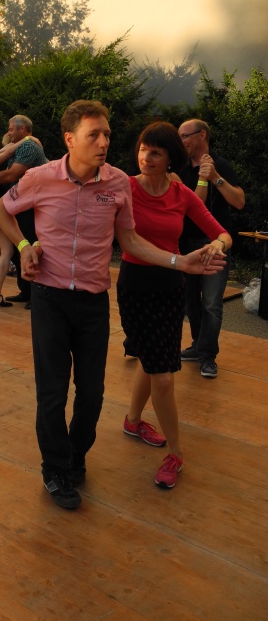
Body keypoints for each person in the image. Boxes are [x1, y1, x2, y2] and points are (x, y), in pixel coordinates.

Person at [0, 100, 227, 510]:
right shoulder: (39, 177)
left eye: (107, 135)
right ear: (70, 139)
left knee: (92, 393)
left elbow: (131, 240)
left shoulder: (118, 183)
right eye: (94, 135)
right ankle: (55, 468)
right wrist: (25, 245)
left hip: (93, 301)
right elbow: (2, 208)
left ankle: (76, 456)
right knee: (52, 392)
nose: (104, 143)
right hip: (49, 298)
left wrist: (180, 262)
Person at [117, 122, 231, 490]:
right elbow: (124, 239)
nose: (146, 157)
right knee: (162, 375)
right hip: (135, 289)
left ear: (170, 159)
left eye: (155, 152)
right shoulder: (125, 188)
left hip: (170, 290)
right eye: (142, 149)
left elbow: (221, 232)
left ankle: (132, 421)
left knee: (152, 361)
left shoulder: (181, 193)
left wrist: (217, 246)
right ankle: (176, 453)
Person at [177, 119, 245, 378]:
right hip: (187, 244)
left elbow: (239, 202)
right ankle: (198, 346)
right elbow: (190, 206)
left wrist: (215, 177)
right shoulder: (180, 168)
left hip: (216, 243)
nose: (182, 141)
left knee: (212, 303)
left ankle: (207, 355)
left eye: (185, 136)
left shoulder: (221, 165)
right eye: (180, 136)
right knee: (190, 301)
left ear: (202, 135)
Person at [0, 115, 48, 309]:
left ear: (23, 129)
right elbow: (7, 170)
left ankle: (34, 295)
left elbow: (11, 174)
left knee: (27, 246)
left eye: (11, 129)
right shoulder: (20, 146)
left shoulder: (28, 147)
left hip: (31, 205)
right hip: (18, 205)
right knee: (14, 249)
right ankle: (25, 291)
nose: (8, 132)